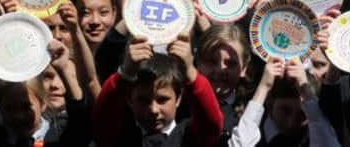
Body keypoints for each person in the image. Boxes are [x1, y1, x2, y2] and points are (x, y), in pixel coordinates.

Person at [92, 35, 223, 147]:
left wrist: (189, 70)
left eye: (162, 100)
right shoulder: (121, 135)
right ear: (129, 99)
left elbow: (211, 124)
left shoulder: (189, 136)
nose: (153, 110)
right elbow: (103, 117)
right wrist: (126, 73)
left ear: (178, 98)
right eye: (143, 100)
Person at [196, 24, 251, 145]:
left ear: (244, 67)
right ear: (198, 62)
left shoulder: (251, 114)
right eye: (212, 61)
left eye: (230, 63)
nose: (220, 69)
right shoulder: (177, 105)